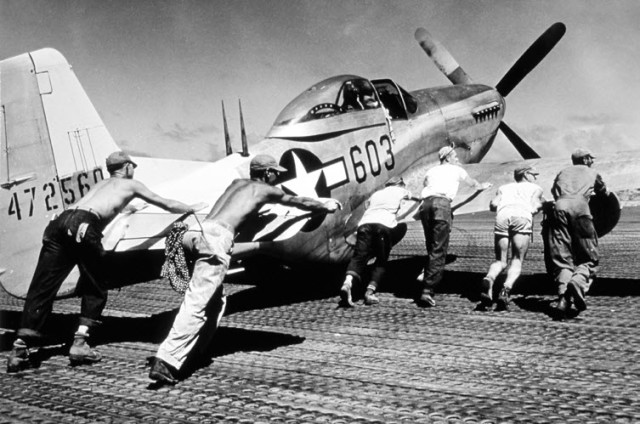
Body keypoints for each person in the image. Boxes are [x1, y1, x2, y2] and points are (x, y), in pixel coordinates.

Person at [149, 154, 341, 384]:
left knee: (216, 303)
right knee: (197, 303)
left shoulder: (237, 184)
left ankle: (194, 353)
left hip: (195, 233)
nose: (278, 176)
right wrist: (324, 204)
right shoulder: (266, 190)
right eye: (276, 173)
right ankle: (167, 360)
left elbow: (237, 211)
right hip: (216, 240)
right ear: (267, 173)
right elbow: (299, 201)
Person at [7, 151, 204, 373]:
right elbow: (165, 203)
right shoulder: (131, 185)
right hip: (84, 226)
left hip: (59, 224)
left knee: (42, 287)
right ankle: (80, 343)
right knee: (96, 285)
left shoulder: (100, 185)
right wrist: (191, 207)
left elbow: (104, 206)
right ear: (127, 167)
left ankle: (19, 349)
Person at [417, 146, 492, 307]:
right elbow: (473, 183)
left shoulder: (431, 171)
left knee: (430, 244)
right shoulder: (456, 169)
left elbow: (425, 185)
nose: (457, 159)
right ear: (448, 158)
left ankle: (426, 272)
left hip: (425, 205)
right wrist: (483, 185)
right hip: (441, 205)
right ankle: (427, 290)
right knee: (439, 248)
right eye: (455, 156)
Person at [339, 176, 419, 307]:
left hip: (364, 224)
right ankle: (370, 292)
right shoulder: (401, 191)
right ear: (400, 185)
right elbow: (415, 198)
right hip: (383, 225)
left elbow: (366, 205)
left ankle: (347, 283)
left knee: (358, 257)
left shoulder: (377, 194)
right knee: (381, 260)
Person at [546, 148, 607, 317]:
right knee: (589, 256)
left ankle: (563, 297)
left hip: (559, 206)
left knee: (561, 257)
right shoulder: (592, 172)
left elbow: (553, 191)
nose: (592, 161)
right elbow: (603, 192)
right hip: (580, 207)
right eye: (590, 158)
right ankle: (577, 281)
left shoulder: (563, 171)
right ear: (586, 159)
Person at [478, 165, 544, 311]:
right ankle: (505, 290)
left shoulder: (504, 187)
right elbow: (536, 204)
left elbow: (493, 204)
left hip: (503, 216)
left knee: (500, 260)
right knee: (517, 259)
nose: (535, 177)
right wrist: (536, 208)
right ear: (526, 175)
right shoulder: (536, 188)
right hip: (522, 216)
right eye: (534, 174)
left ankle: (490, 278)